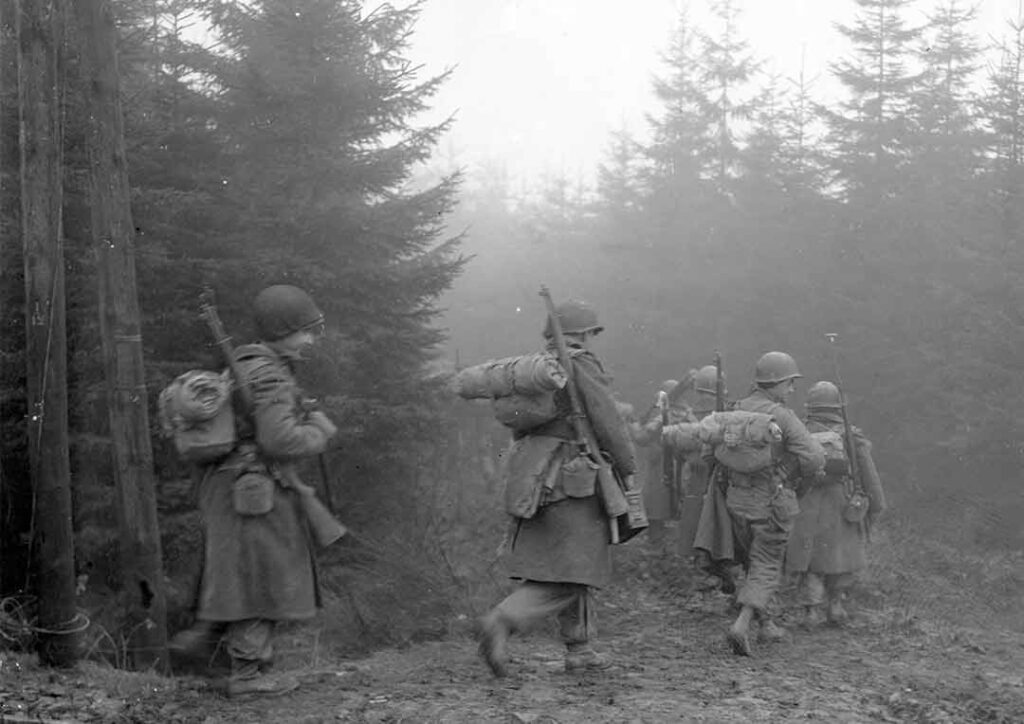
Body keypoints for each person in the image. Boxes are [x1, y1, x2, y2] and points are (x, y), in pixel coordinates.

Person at [170, 284, 338, 698]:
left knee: (241, 572)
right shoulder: (269, 373)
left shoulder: (248, 364)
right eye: (305, 331)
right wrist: (318, 431)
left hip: (236, 486)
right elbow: (280, 441)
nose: (311, 339)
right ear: (283, 330)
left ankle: (227, 659)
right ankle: (248, 675)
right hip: (253, 489)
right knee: (259, 576)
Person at [477, 299, 637, 677]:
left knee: (566, 562)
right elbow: (608, 420)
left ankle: (579, 647)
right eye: (590, 334)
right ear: (582, 334)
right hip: (573, 477)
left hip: (534, 475)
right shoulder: (579, 363)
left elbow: (521, 427)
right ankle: (503, 619)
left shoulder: (536, 370)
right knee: (577, 566)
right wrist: (627, 466)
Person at [715, 351, 825, 656]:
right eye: (789, 383)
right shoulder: (783, 416)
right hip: (772, 501)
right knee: (766, 563)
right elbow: (815, 457)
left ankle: (767, 624)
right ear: (775, 382)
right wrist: (796, 475)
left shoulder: (735, 409)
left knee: (753, 560)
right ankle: (742, 623)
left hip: (736, 499)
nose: (792, 389)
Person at [786, 381, 886, 626]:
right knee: (839, 558)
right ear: (837, 406)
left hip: (804, 501)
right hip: (839, 503)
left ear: (810, 406)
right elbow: (868, 475)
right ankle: (836, 606)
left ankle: (810, 611)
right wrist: (876, 505)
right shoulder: (850, 435)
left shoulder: (798, 432)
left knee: (809, 560)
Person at [626, 378, 696, 551]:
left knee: (655, 512)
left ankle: (657, 550)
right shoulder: (689, 414)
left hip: (661, 468)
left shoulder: (663, 416)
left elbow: (642, 438)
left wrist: (632, 423)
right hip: (684, 468)